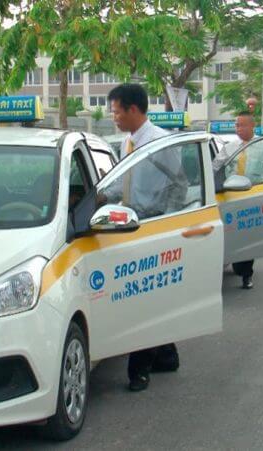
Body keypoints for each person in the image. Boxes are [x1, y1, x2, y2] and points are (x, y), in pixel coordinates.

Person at [105, 83, 180, 393]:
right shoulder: (128, 142)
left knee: (144, 299)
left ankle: (140, 370)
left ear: (133, 110)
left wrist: (170, 227)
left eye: (116, 111)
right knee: (147, 295)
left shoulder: (161, 142)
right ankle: (167, 354)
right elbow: (124, 183)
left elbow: (179, 184)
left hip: (154, 226)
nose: (114, 117)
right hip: (130, 224)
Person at [213, 111, 263, 289]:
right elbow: (214, 167)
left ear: (252, 126)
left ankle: (246, 275)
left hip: (252, 196)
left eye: (242, 125)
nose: (239, 129)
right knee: (230, 235)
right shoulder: (230, 147)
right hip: (230, 197)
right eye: (237, 125)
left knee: (247, 237)